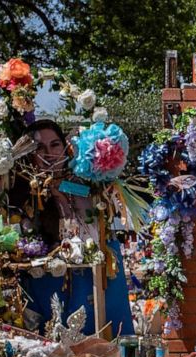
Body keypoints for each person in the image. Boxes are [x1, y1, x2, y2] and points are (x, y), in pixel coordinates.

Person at [17, 119, 134, 338]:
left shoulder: (87, 181)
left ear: (65, 147)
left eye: (55, 145)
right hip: (48, 281)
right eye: (40, 148)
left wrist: (63, 192)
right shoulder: (25, 192)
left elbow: (92, 226)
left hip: (91, 276)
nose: (49, 154)